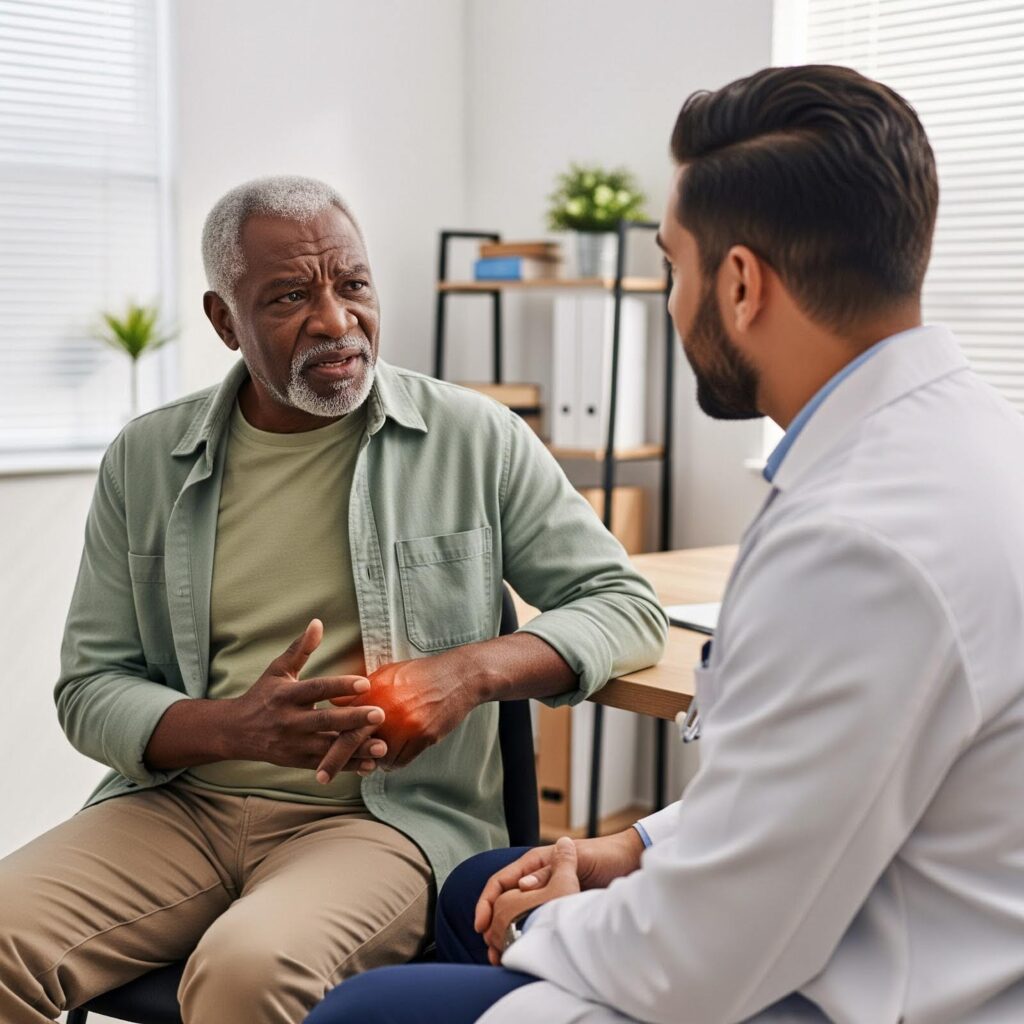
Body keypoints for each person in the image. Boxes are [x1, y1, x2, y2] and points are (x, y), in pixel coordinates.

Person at [305, 64, 1024, 1024]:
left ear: (739, 285)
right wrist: (630, 850)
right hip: (875, 899)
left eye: (671, 265)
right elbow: (816, 778)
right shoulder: (964, 437)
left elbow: (703, 957)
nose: (668, 298)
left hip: (857, 985)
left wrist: (541, 929)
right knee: (478, 879)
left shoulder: (853, 543)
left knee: (368, 1010)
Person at [0, 175, 667, 1024]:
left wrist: (466, 673)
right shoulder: (146, 460)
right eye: (288, 296)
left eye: (352, 284)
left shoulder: (473, 436)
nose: (334, 320)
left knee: (247, 972)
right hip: (180, 806)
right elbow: (91, 687)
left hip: (382, 823)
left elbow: (622, 603)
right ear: (222, 320)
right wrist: (237, 728)